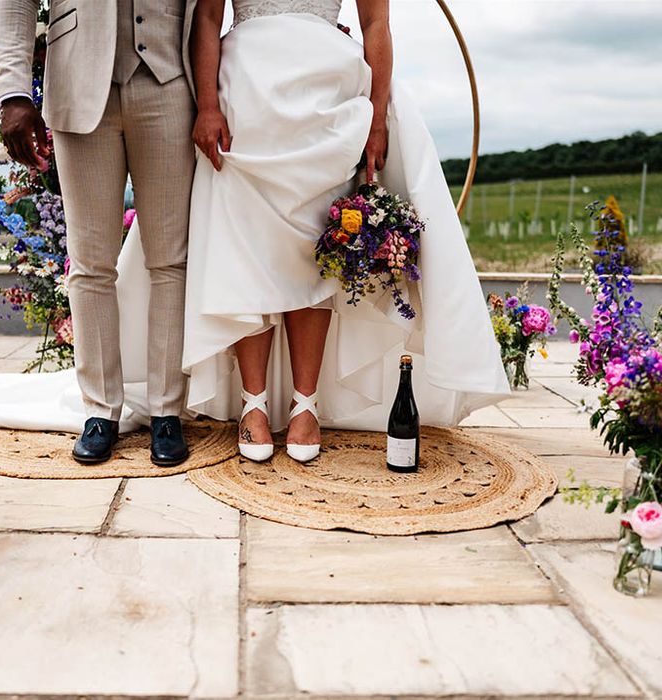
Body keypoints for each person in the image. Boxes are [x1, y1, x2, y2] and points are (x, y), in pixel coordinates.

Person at [0, 0, 509, 453]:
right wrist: (13, 92)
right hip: (151, 92)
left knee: (232, 257)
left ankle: (213, 409)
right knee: (129, 260)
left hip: (242, 93)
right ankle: (128, 409)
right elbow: (200, 14)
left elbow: (367, 21)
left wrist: (364, 104)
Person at [180, 0, 510, 462]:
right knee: (246, 246)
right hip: (246, 96)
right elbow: (209, 16)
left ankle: (305, 403)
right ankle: (251, 402)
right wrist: (208, 104)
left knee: (317, 252)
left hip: (328, 102)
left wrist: (376, 120)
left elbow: (377, 22)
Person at [0, 0, 199, 465]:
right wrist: (13, 93)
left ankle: (168, 410)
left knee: (171, 260)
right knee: (90, 263)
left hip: (169, 84)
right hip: (79, 84)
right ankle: (101, 411)